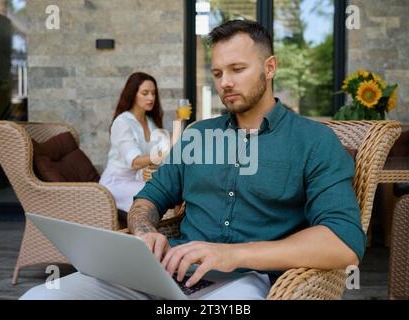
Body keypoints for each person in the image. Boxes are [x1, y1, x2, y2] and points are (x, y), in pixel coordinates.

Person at [21, 20, 366, 300]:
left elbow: (343, 241)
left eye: (237, 69)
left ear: (270, 67)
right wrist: (144, 232)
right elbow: (147, 200)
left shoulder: (314, 140)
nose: (226, 83)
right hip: (165, 270)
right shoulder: (198, 136)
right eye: (217, 73)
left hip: (246, 282)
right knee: (39, 297)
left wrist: (234, 256)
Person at [98, 72, 167, 214]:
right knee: (159, 193)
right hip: (116, 184)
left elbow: (161, 155)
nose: (151, 98)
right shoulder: (122, 122)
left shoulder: (151, 122)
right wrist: (161, 156)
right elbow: (135, 162)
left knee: (170, 189)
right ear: (133, 94)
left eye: (153, 93)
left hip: (137, 180)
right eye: (145, 93)